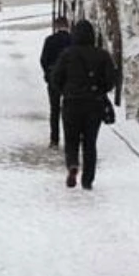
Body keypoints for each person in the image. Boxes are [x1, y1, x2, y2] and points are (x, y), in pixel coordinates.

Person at [51, 19, 116, 190]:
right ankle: (88, 180)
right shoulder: (102, 55)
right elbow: (111, 81)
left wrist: (65, 91)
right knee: (90, 142)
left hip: (72, 103)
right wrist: (99, 89)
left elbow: (56, 78)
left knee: (71, 139)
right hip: (94, 104)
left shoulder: (67, 54)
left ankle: (72, 164)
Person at [38, 16, 71, 147]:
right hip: (70, 79)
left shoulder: (50, 40)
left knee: (55, 109)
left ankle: (54, 139)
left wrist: (48, 73)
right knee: (70, 110)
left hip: (54, 78)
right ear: (67, 26)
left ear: (56, 26)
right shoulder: (73, 40)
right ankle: (71, 137)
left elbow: (43, 59)